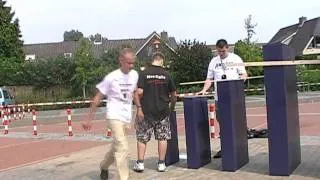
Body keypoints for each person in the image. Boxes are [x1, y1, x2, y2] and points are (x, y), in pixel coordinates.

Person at [82, 48, 139, 180]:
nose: (131, 66)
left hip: (127, 116)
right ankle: (124, 178)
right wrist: (88, 119)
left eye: (133, 63)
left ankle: (104, 165)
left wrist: (139, 108)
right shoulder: (111, 78)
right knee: (123, 147)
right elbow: (97, 98)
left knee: (117, 146)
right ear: (121, 61)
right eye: (129, 63)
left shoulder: (135, 74)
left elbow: (134, 92)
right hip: (114, 116)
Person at [197, 39, 248, 158]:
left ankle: (237, 147)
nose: (221, 54)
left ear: (227, 48)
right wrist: (204, 90)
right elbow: (209, 79)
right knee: (223, 123)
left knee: (235, 123)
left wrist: (240, 80)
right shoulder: (214, 61)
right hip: (220, 98)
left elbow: (244, 75)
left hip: (234, 98)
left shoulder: (236, 59)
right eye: (219, 51)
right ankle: (225, 147)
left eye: (223, 51)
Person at [133, 52, 177, 173]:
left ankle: (140, 163)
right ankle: (161, 164)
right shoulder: (166, 74)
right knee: (162, 137)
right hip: (163, 112)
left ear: (152, 60)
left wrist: (138, 108)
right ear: (161, 61)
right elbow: (174, 95)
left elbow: (138, 92)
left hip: (146, 111)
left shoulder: (144, 73)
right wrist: (171, 107)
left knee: (142, 138)